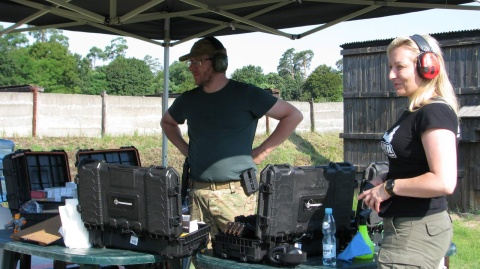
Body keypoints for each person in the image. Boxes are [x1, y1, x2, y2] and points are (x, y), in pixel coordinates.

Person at [160, 36, 303, 239]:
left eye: (197, 61)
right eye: (191, 62)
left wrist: (261, 153)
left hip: (235, 197)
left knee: (238, 255)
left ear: (219, 63)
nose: (191, 67)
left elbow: (293, 115)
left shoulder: (246, 94)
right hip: (197, 196)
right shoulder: (188, 100)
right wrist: (187, 150)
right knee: (200, 259)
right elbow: (167, 122)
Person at [358, 34, 459, 269]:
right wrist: (381, 179)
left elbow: (444, 182)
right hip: (406, 228)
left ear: (428, 67)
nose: (391, 75)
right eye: (390, 67)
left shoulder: (434, 113)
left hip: (417, 231)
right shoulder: (416, 110)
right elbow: (414, 165)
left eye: (400, 67)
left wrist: (389, 188)